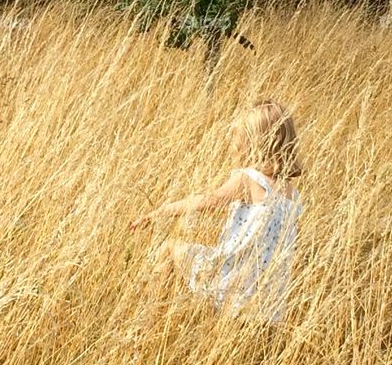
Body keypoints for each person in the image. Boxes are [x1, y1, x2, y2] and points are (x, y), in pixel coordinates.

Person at [130, 100, 304, 322]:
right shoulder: (292, 195)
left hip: (232, 283)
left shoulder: (249, 179)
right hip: (268, 300)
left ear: (254, 143)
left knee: (169, 249)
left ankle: (146, 323)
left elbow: (209, 200)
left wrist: (161, 211)